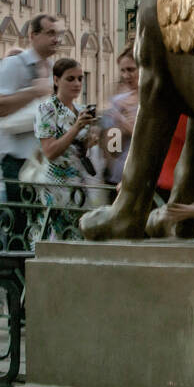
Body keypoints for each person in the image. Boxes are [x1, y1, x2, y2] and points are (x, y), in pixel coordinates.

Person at [0, 15, 61, 241]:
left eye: (58, 34)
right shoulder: (14, 64)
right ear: (33, 36)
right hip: (17, 161)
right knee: (18, 227)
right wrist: (34, 92)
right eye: (50, 33)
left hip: (45, 162)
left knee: (43, 226)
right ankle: (12, 273)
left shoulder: (52, 69)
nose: (56, 39)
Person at [32, 58, 97, 241]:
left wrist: (89, 141)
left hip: (79, 185)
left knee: (80, 239)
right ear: (56, 80)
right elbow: (50, 151)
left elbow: (78, 152)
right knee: (56, 240)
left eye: (80, 79)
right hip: (55, 186)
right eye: (70, 79)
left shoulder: (80, 109)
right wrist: (76, 128)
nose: (77, 84)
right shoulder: (46, 109)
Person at [100, 47, 139, 190]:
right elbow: (113, 149)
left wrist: (130, 128)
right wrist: (120, 128)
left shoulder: (154, 102)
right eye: (122, 71)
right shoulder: (117, 102)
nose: (126, 75)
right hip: (119, 177)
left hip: (146, 176)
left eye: (130, 70)